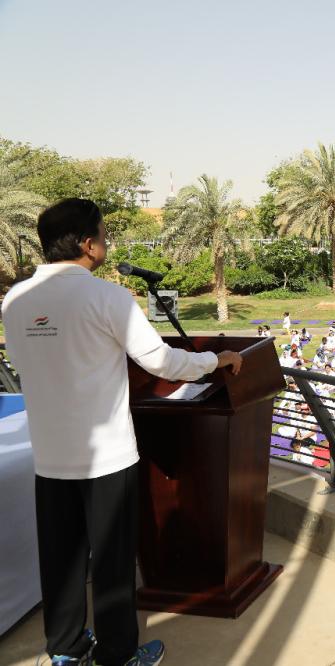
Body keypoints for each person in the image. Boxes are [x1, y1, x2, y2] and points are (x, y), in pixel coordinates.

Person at [1, 199, 245, 666]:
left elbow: (29, 361)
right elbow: (162, 362)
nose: (107, 242)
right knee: (111, 563)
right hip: (107, 458)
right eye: (104, 234)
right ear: (88, 244)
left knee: (61, 561)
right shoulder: (107, 297)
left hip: (49, 456)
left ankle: (66, 650)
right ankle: (117, 655)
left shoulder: (15, 300)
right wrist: (217, 361)